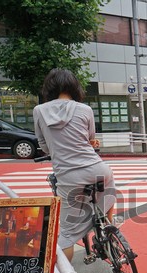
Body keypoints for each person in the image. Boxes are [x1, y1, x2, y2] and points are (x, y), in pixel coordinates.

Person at [33, 68, 117, 262]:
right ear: (74, 87)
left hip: (69, 176)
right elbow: (90, 139)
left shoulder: (39, 111)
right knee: (108, 195)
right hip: (97, 169)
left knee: (67, 234)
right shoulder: (85, 109)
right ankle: (109, 229)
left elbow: (44, 147)